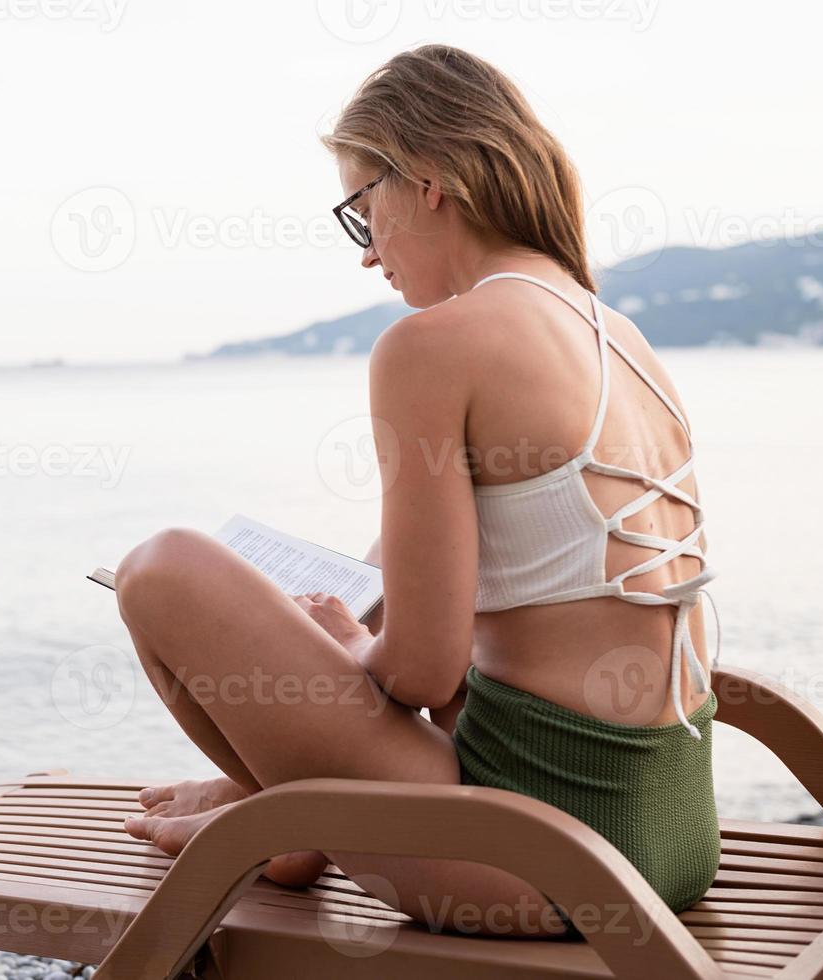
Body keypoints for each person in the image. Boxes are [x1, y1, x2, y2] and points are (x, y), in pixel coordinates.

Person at [111, 44, 719, 937]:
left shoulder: (434, 345)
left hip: (540, 859)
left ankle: (282, 820)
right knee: (364, 580)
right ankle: (272, 813)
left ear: (427, 180)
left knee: (161, 569)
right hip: (668, 834)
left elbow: (420, 672)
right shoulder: (614, 332)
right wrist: (347, 631)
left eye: (361, 210)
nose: (366, 256)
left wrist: (347, 642)